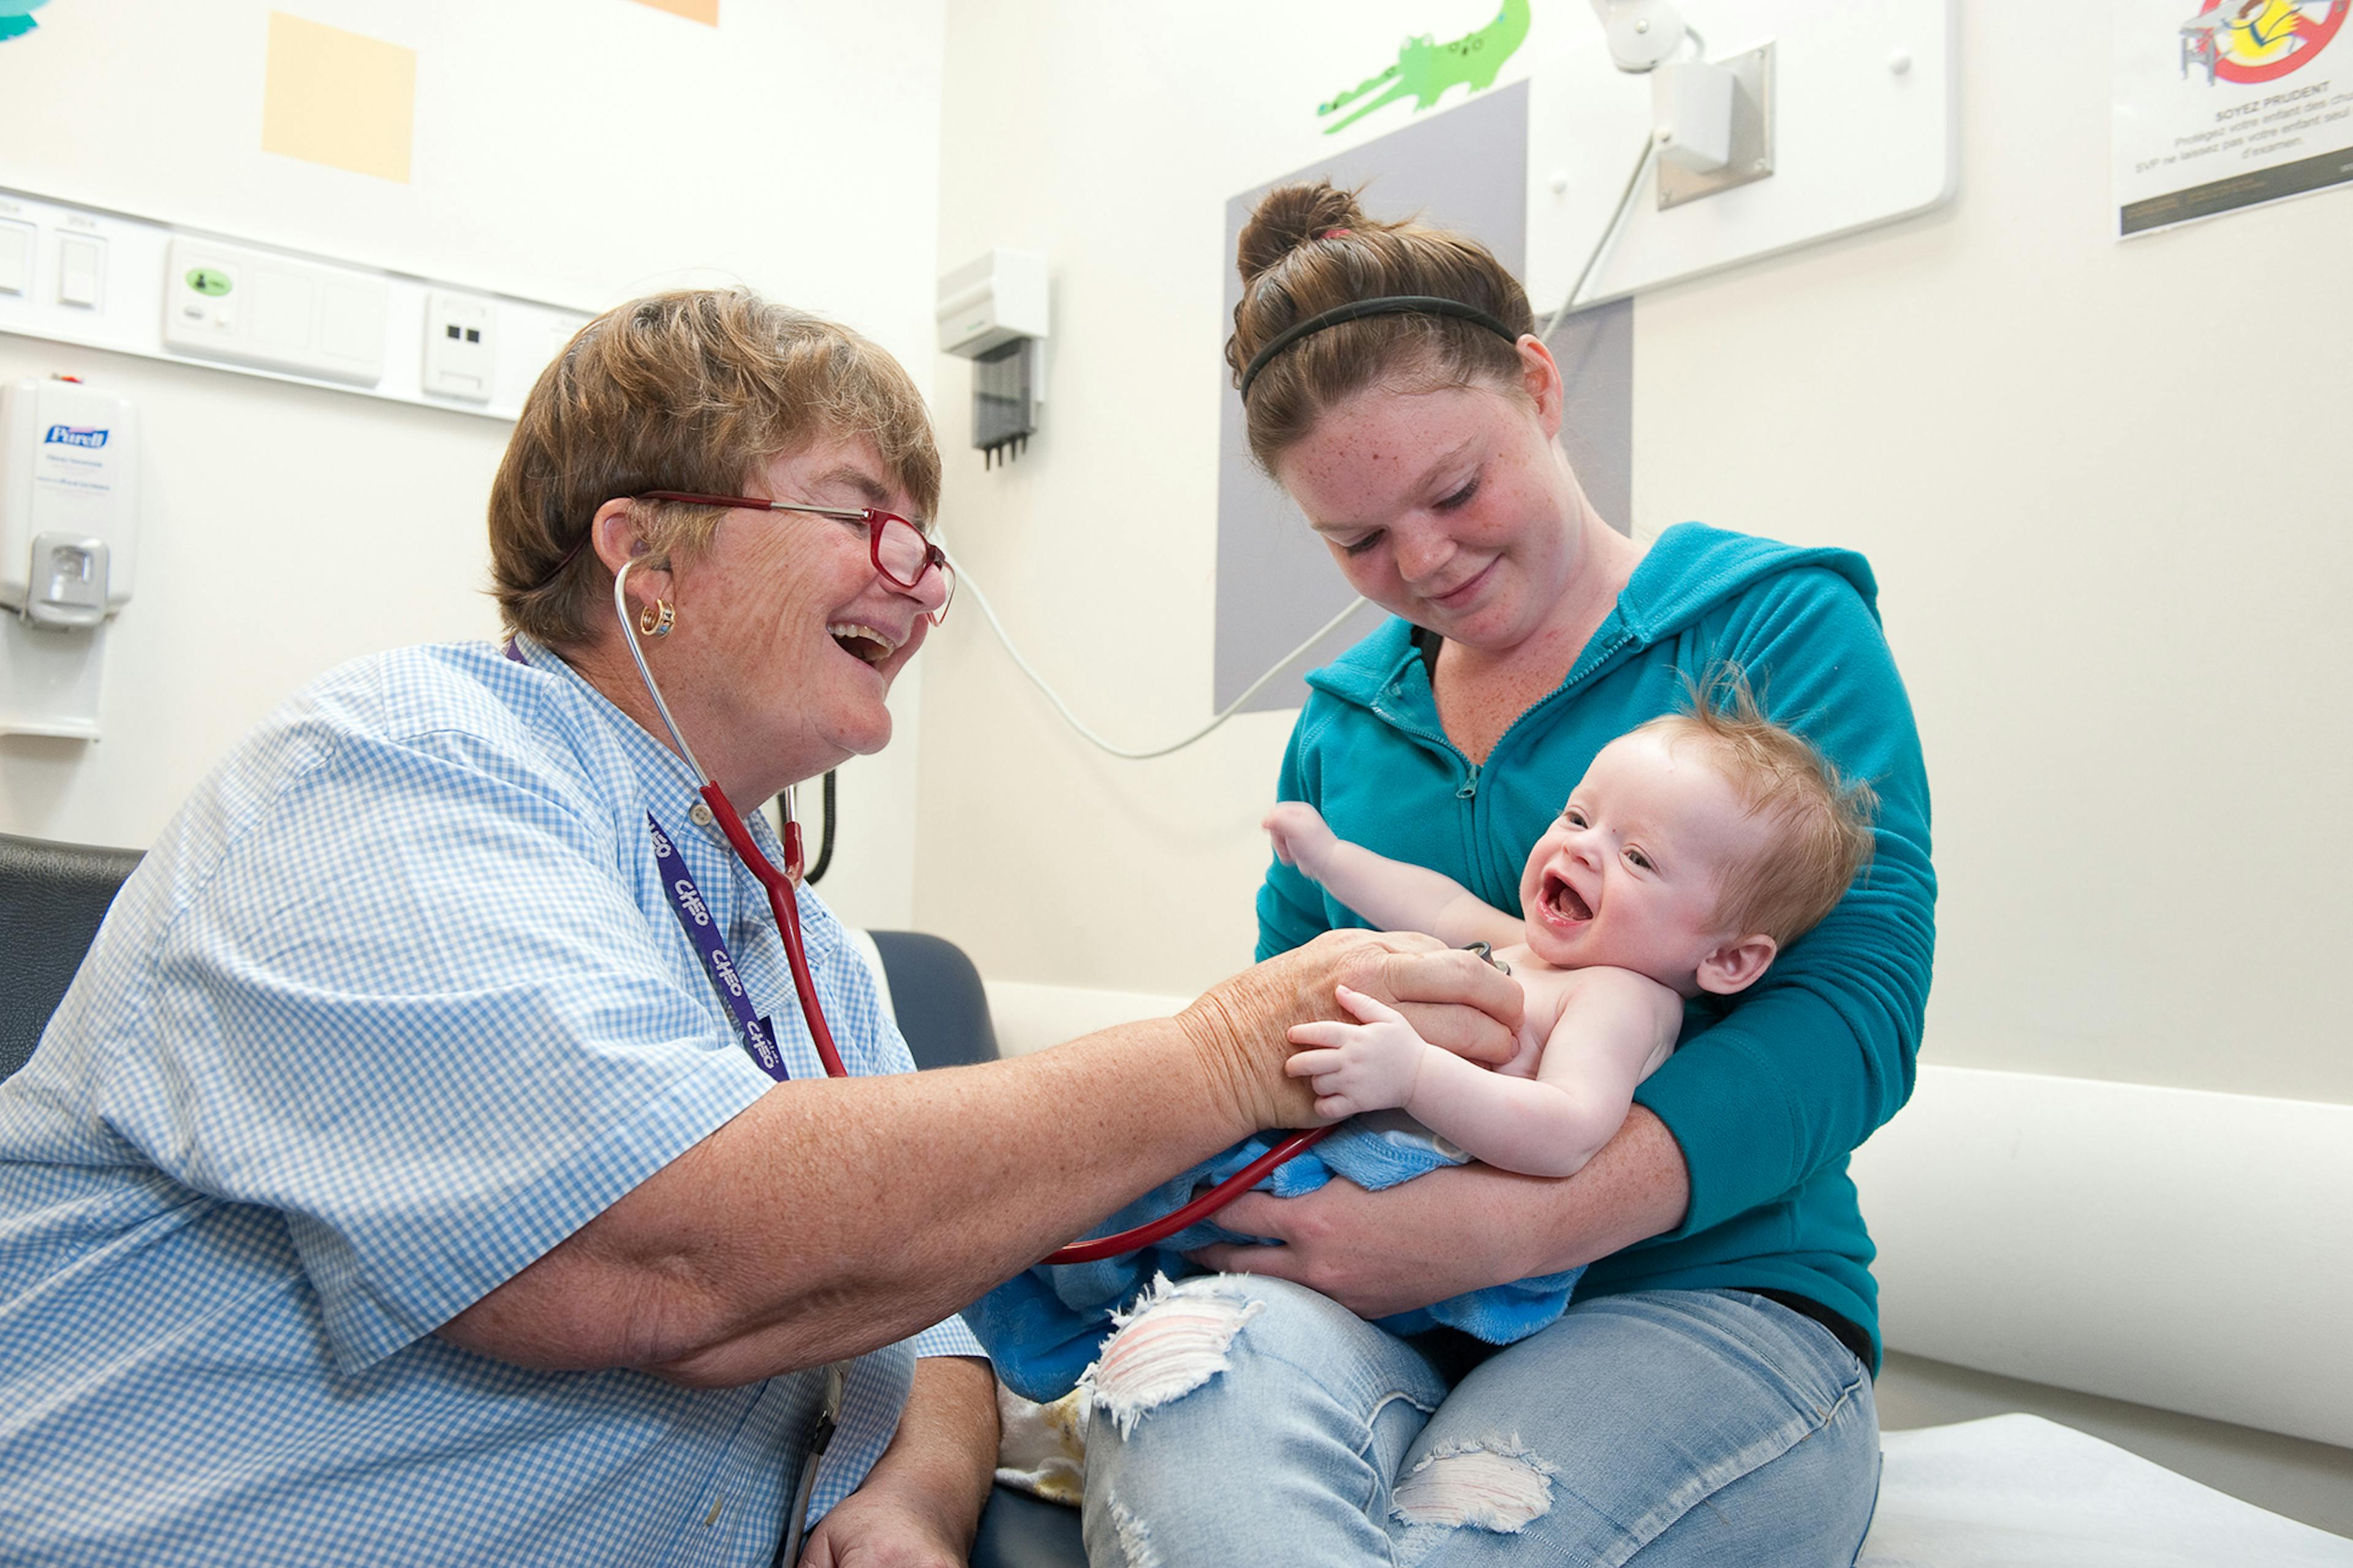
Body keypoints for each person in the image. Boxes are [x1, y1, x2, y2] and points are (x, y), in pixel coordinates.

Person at [0, 288, 1522, 1567]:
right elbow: (663, 1253)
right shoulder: (402, 762)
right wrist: (1233, 1050)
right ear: (642, 559)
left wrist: (922, 1493)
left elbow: (927, 1311)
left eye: (928, 545)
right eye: (867, 519)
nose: (921, 590)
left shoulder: (807, 946)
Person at [1075, 186, 1934, 1565]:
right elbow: (1284, 1016)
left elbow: (1855, 1015)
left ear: (1537, 385)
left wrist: (1496, 1228)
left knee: (1481, 1526)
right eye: (1355, 542)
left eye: (1456, 489)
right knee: (1175, 1386)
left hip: (1706, 1298)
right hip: (1365, 1310)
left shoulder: (1770, 623)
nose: (1422, 561)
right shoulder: (1343, 727)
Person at [1271, 676, 1879, 1178]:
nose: (1585, 848)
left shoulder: (1621, 1000)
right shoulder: (1531, 948)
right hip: (1342, 1149)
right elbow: (1436, 905)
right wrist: (1329, 858)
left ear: (1728, 961)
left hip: (1405, 1187)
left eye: (1639, 857)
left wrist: (1415, 1076)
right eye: (1578, 816)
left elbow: (1565, 1132)